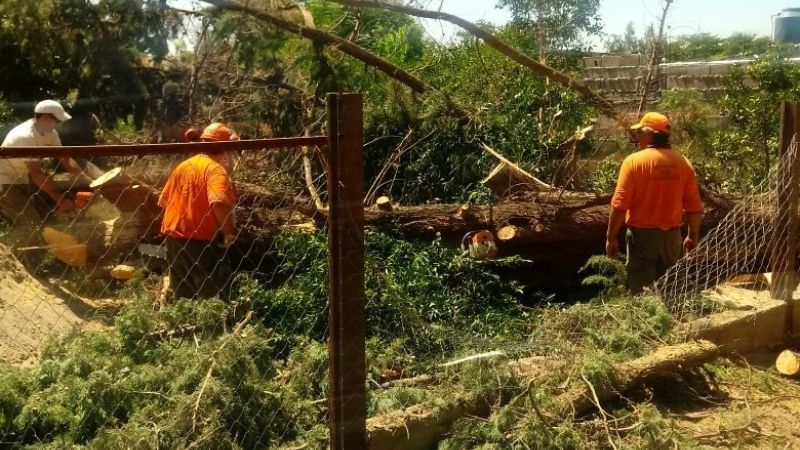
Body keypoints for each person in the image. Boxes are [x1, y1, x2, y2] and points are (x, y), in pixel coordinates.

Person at [605, 112, 704, 294]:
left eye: (639, 133)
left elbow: (619, 205)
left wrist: (611, 237)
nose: (637, 137)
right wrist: (692, 236)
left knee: (641, 292)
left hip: (641, 238)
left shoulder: (633, 162)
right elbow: (694, 207)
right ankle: (669, 320)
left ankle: (645, 320)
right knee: (669, 290)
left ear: (649, 134)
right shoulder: (684, 163)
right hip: (672, 238)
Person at [158, 122, 239, 300]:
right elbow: (218, 202)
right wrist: (228, 234)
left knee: (183, 296)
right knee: (212, 296)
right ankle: (214, 326)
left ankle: (182, 325)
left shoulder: (183, 166)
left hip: (173, 239)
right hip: (200, 241)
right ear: (225, 148)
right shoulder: (215, 170)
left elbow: (162, 201)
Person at [0, 100, 94, 236]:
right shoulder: (25, 137)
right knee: (30, 223)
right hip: (4, 179)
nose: (58, 124)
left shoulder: (50, 133)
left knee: (39, 216)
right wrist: (61, 201)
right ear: (45, 117)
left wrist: (90, 182)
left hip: (21, 176)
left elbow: (66, 160)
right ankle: (27, 255)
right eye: (57, 120)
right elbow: (37, 174)